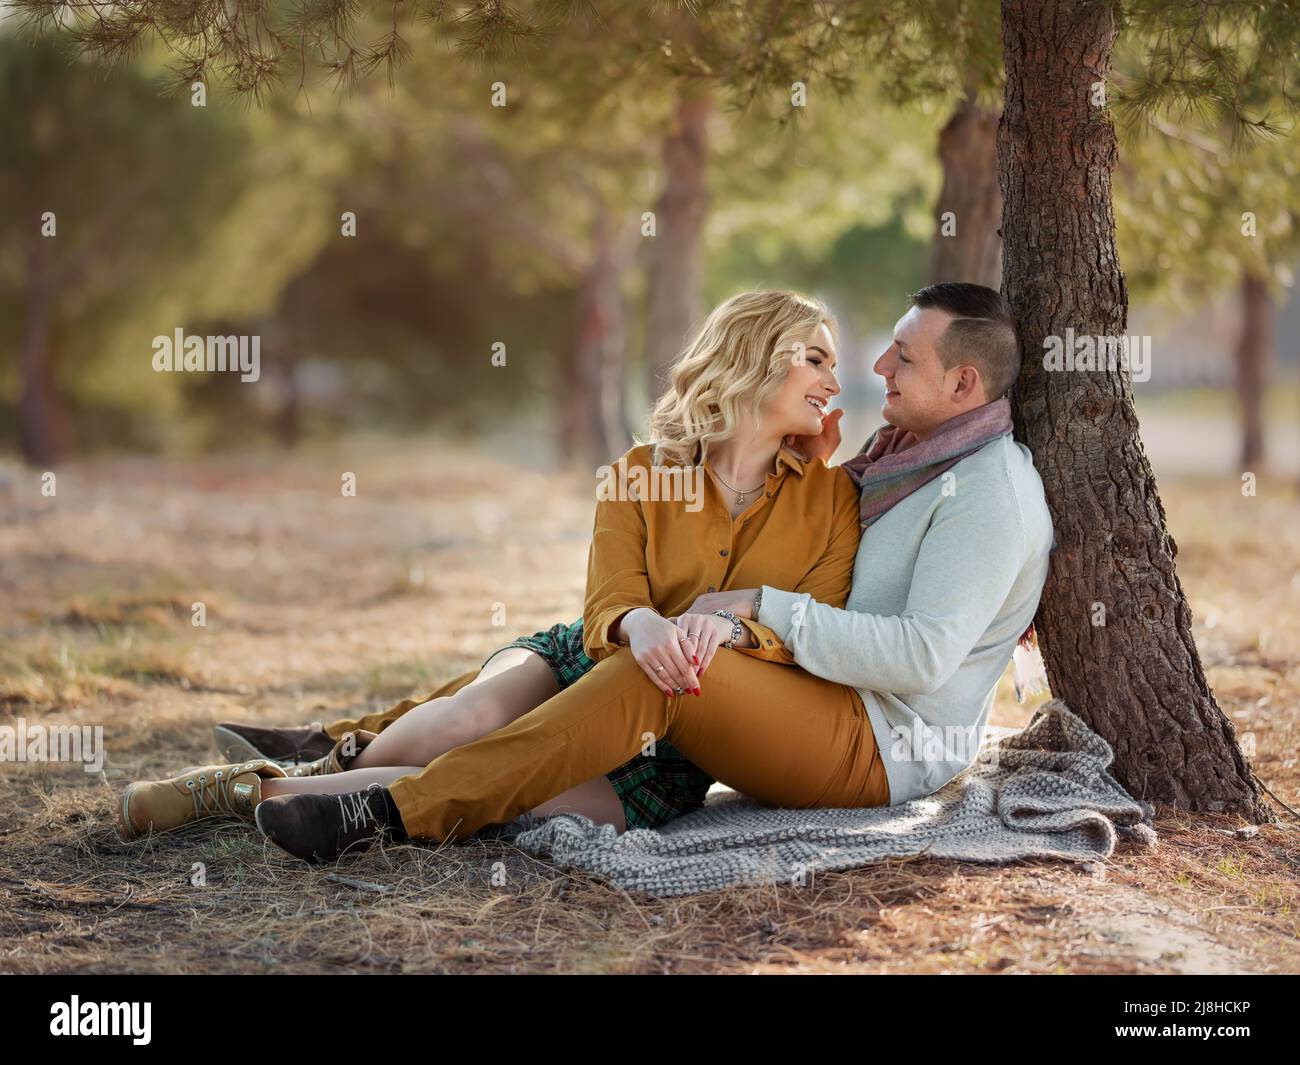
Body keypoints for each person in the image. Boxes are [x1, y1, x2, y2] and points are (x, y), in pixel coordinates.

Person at [247, 282, 1055, 862]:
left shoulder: (980, 491)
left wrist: (749, 609)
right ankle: (332, 769)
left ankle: (385, 810)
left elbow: (918, 656)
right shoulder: (890, 466)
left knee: (663, 675)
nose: (875, 368)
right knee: (541, 685)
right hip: (796, 694)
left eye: (902, 356)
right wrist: (683, 618)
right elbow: (613, 601)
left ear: (963, 382)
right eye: (830, 356)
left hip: (881, 740)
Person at [117, 289, 865, 842]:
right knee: (471, 720)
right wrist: (644, 625)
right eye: (816, 359)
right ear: (751, 356)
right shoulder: (641, 470)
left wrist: (729, 634)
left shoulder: (831, 500)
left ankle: (251, 790)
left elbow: (811, 630)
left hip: (674, 744)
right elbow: (610, 598)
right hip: (584, 659)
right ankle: (295, 776)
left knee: (509, 786)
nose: (835, 380)